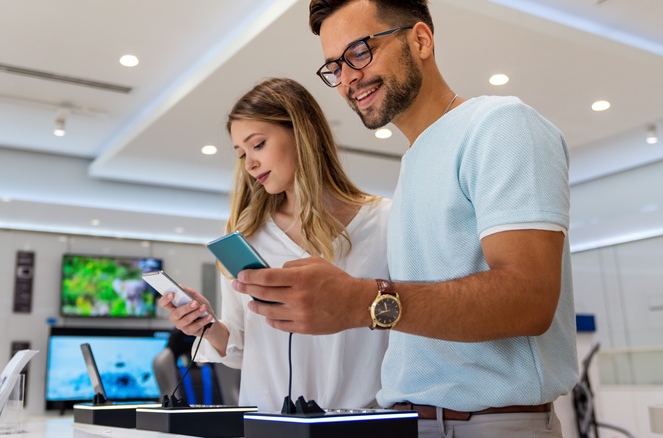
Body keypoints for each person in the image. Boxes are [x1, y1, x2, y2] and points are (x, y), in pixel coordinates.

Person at [231, 1, 579, 436]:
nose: (348, 78)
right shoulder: (414, 164)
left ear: (420, 40)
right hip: (413, 421)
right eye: (334, 67)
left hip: (487, 424)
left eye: (359, 52)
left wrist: (359, 301)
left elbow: (529, 298)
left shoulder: (499, 125)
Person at [157, 77, 392, 412]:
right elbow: (237, 348)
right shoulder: (247, 237)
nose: (249, 163)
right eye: (241, 154)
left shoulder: (384, 222)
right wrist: (206, 325)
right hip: (269, 422)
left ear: (302, 131)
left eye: (258, 145)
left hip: (363, 422)